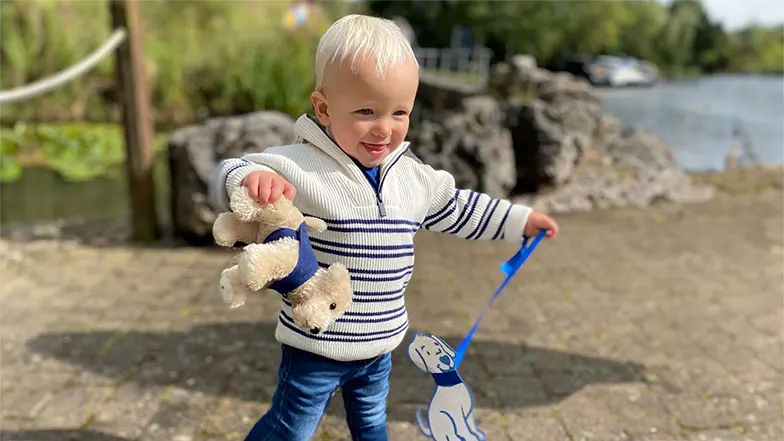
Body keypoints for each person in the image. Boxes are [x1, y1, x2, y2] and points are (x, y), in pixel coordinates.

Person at [209, 14, 559, 441]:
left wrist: (520, 221)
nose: (384, 129)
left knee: (372, 426)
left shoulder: (413, 178)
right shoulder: (299, 165)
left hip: (380, 347)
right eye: (366, 112)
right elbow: (230, 168)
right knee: (290, 428)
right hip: (315, 345)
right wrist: (246, 179)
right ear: (323, 108)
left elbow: (461, 208)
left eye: (399, 113)